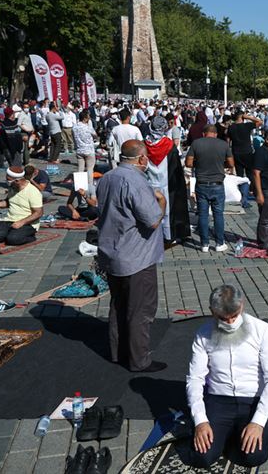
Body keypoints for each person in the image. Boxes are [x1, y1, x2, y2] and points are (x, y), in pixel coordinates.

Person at [187, 285, 268, 469]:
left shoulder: (262, 329)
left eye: (234, 316)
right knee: (202, 457)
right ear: (212, 312)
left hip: (253, 400)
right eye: (223, 318)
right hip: (219, 400)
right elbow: (195, 379)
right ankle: (226, 436)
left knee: (253, 457)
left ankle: (231, 437)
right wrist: (200, 421)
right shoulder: (203, 334)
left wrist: (258, 422)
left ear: (242, 306)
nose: (230, 323)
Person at [97, 140, 168, 372]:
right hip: (136, 256)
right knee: (141, 310)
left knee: (119, 305)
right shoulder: (135, 181)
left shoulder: (108, 177)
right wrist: (161, 201)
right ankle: (139, 360)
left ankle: (118, 352)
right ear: (141, 159)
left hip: (112, 251)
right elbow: (153, 219)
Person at [185, 124, 234, 252]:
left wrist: (199, 163)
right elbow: (231, 163)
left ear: (203, 134)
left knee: (203, 215)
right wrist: (220, 163)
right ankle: (219, 243)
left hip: (201, 183)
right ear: (216, 134)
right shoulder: (223, 144)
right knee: (218, 214)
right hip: (217, 184)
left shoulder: (196, 143)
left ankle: (204, 244)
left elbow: (188, 163)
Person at [144, 116, 191, 244]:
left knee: (151, 211)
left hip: (150, 183)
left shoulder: (144, 144)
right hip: (167, 183)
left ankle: (151, 235)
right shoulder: (169, 145)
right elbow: (176, 168)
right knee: (167, 212)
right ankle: (168, 236)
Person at [0, 166, 44, 246]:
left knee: (13, 239)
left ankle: (30, 237)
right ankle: (9, 233)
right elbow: (9, 202)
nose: (7, 182)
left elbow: (38, 213)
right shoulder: (13, 187)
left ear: (17, 180)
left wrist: (21, 222)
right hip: (9, 220)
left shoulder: (33, 192)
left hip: (27, 223)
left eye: (8, 180)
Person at [228, 111, 262, 208]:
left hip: (236, 152)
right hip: (247, 152)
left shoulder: (231, 127)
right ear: (242, 117)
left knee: (239, 176)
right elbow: (260, 122)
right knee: (250, 175)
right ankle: (254, 193)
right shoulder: (247, 125)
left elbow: (228, 140)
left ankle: (242, 196)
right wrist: (248, 117)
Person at [73, 109, 98, 186]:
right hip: (89, 150)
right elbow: (95, 135)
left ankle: (80, 186)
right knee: (90, 169)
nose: (89, 119)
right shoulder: (88, 127)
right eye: (88, 117)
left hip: (79, 149)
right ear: (85, 119)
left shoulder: (74, 127)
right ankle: (90, 185)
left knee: (80, 168)